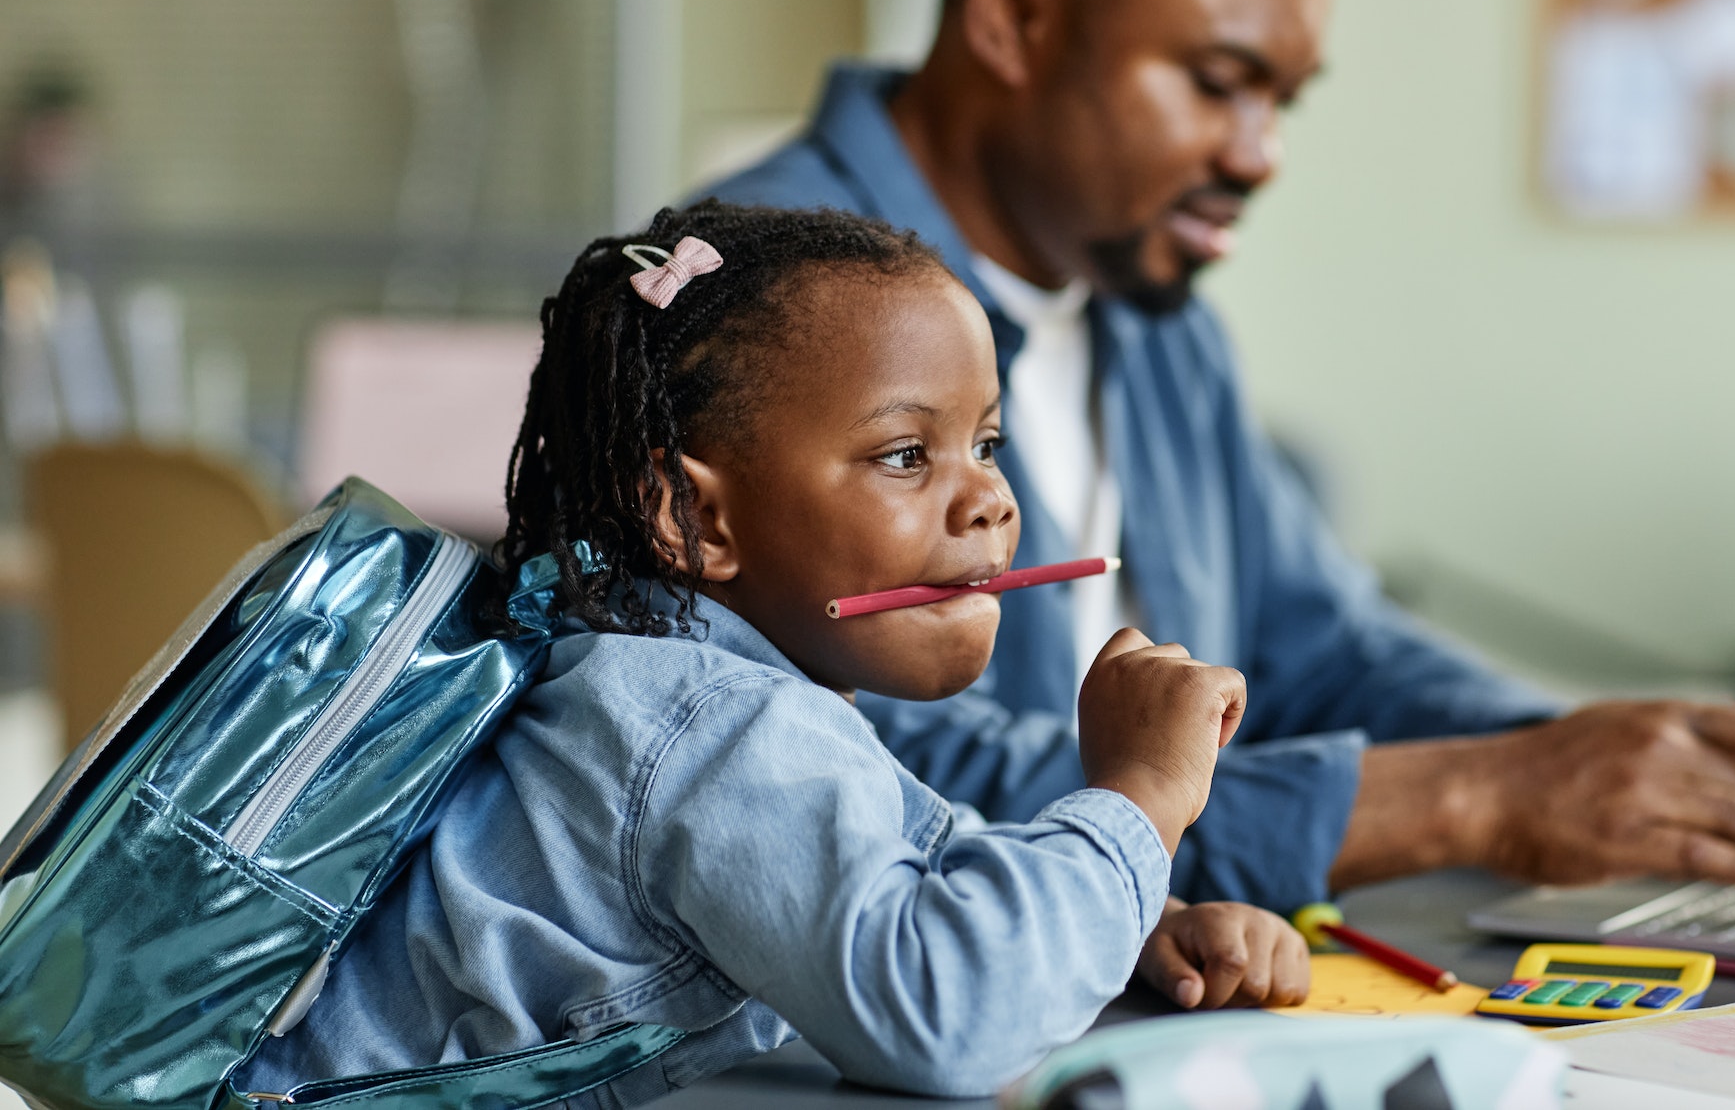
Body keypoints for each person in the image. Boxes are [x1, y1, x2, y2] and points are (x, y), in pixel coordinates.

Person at [699, 0, 1735, 912]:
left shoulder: (1142, 304)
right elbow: (864, 779)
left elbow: (1325, 651)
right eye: (1217, 80)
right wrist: (1483, 793)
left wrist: (1640, 756)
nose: (1258, 155)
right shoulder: (751, 310)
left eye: (1280, 99)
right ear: (1015, 18)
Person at [247, 202, 1308, 1104]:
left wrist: (1133, 920)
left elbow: (910, 861)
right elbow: (944, 1010)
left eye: (984, 444)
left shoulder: (656, 675)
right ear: (688, 516)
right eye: (905, 454)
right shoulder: (713, 722)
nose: (988, 498)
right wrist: (1139, 800)